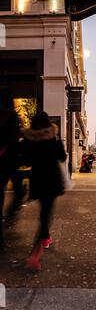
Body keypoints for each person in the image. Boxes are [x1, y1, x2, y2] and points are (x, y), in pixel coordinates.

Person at [21, 112, 67, 271]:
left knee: (44, 212)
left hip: (37, 179)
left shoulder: (29, 139)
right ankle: (34, 255)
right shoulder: (52, 137)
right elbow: (61, 157)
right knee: (45, 215)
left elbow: (25, 160)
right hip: (51, 179)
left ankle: (46, 237)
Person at [0, 88, 25, 253]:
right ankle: (8, 218)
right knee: (20, 192)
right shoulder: (11, 116)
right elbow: (15, 140)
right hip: (10, 162)